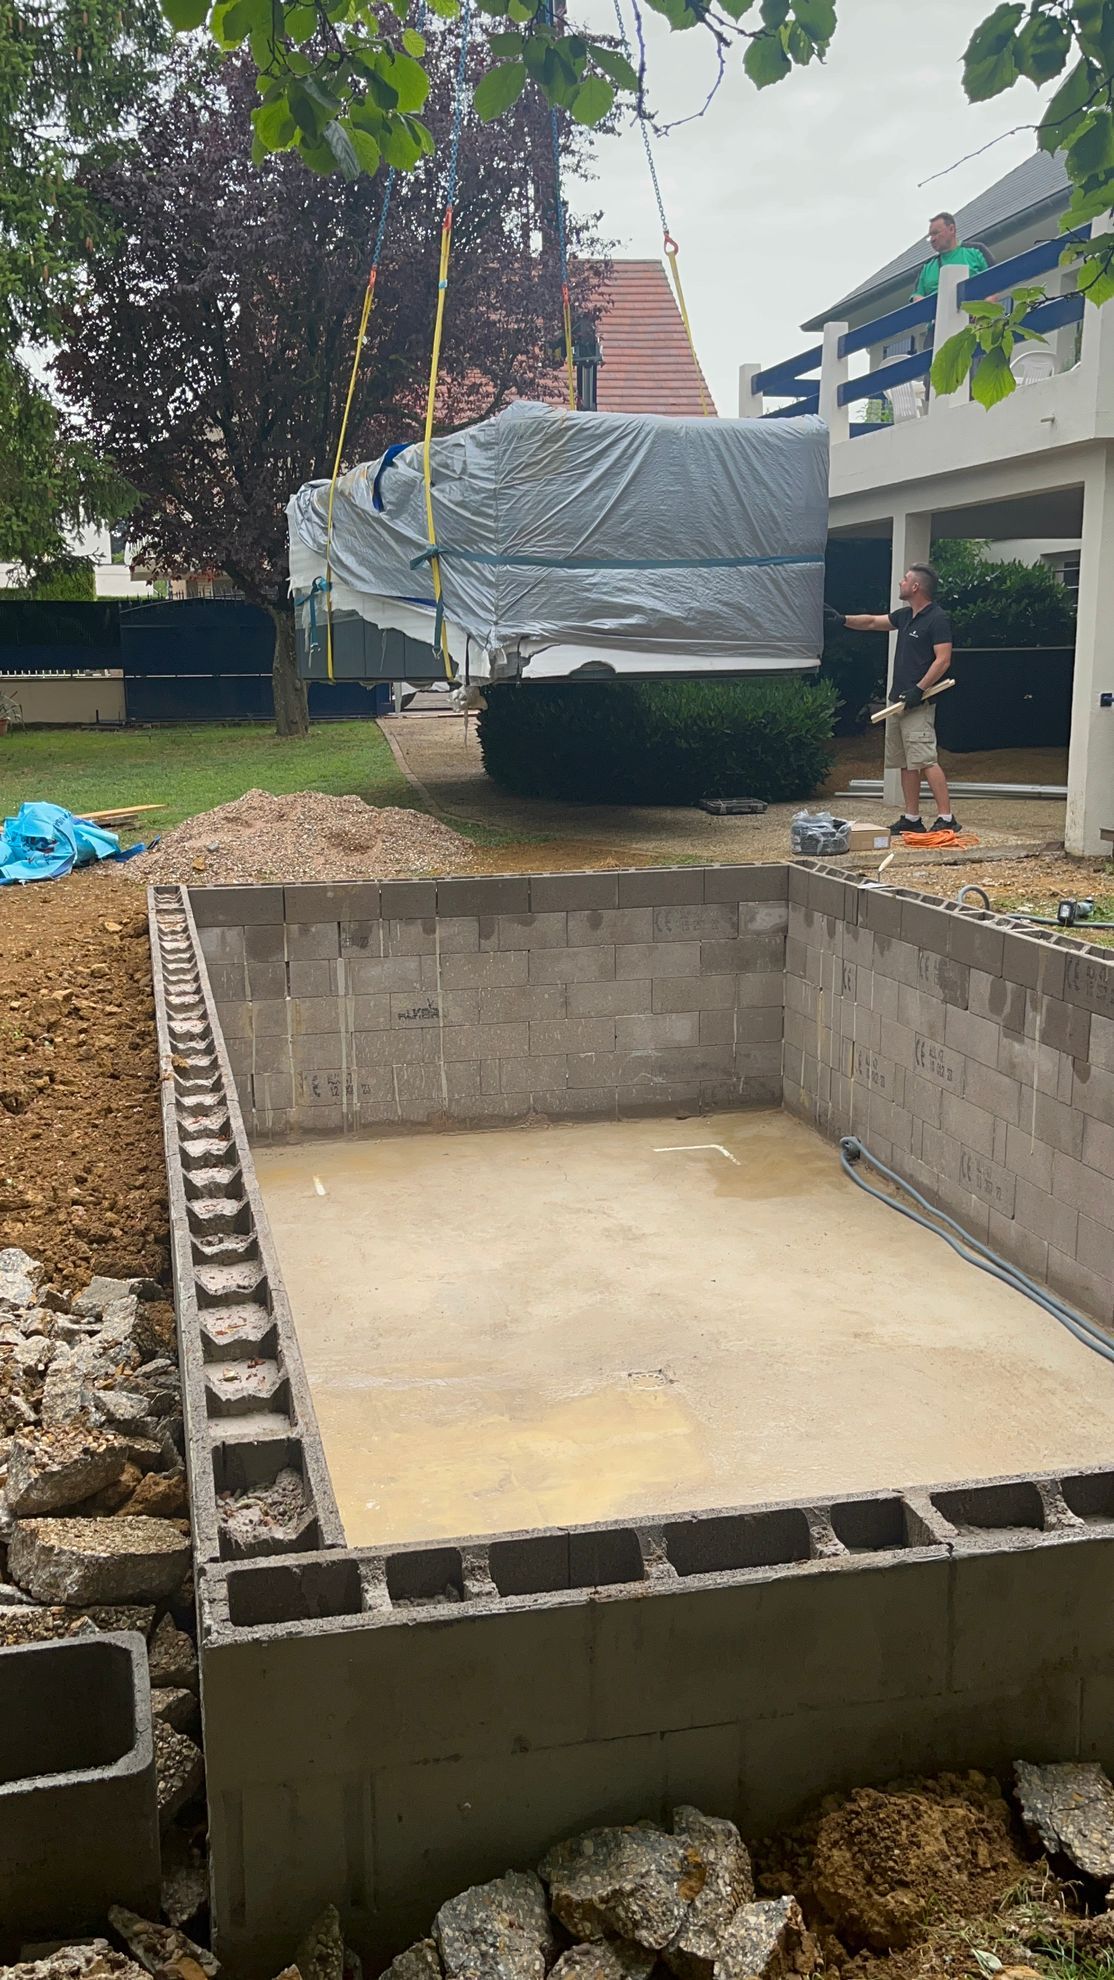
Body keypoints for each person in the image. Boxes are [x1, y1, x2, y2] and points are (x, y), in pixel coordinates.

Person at [824, 565, 959, 836]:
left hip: (918, 702)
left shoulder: (937, 619)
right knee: (906, 763)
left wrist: (919, 689)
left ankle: (947, 817)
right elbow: (874, 622)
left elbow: (943, 660)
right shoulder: (906, 616)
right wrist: (841, 619)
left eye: (906, 579)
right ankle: (912, 817)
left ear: (917, 587)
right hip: (898, 701)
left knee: (926, 759)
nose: (901, 582)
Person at [912, 213, 988, 300]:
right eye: (930, 236)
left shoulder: (976, 251)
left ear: (952, 229)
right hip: (938, 312)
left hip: (975, 309)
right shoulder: (927, 267)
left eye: (936, 233)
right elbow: (916, 296)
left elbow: (995, 282)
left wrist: (981, 312)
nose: (932, 239)